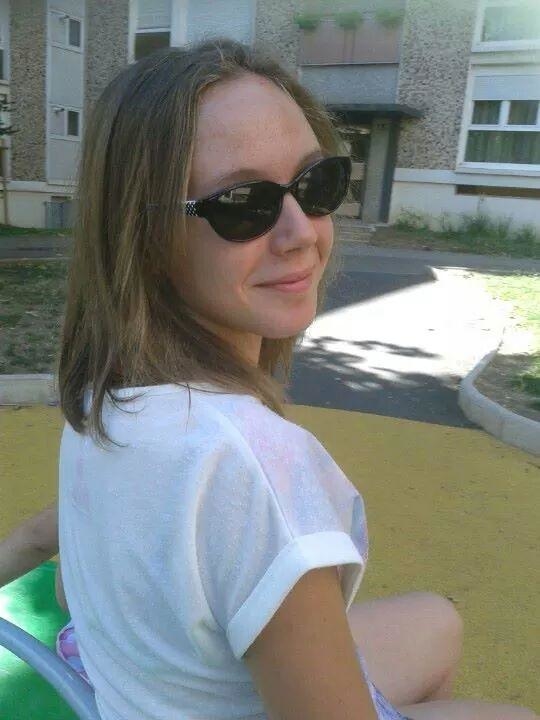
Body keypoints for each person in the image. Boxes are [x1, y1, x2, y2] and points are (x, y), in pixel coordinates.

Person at [42, 38, 534, 720]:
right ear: (143, 236)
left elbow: (70, 584)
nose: (301, 232)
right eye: (243, 203)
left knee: (436, 618)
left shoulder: (105, 397)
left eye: (316, 184)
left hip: (141, 695)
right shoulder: (251, 467)